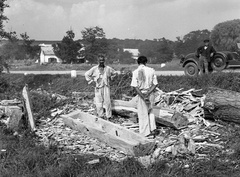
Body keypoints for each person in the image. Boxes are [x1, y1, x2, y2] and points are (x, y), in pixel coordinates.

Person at [131, 56, 158, 137]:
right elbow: (155, 84)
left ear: (138, 62)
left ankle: (145, 132)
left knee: (143, 113)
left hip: (141, 93)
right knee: (151, 112)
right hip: (150, 93)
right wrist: (148, 93)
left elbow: (135, 86)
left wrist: (143, 96)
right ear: (146, 62)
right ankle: (153, 129)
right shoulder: (151, 70)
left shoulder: (135, 72)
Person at [85, 54, 117, 119]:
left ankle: (109, 116)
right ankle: (101, 115)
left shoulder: (108, 68)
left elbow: (115, 73)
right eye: (100, 60)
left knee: (107, 102)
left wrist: (111, 78)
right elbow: (87, 74)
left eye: (102, 60)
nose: (101, 62)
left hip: (106, 87)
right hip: (98, 87)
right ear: (98, 61)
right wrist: (91, 81)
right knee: (99, 102)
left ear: (104, 61)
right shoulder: (94, 69)